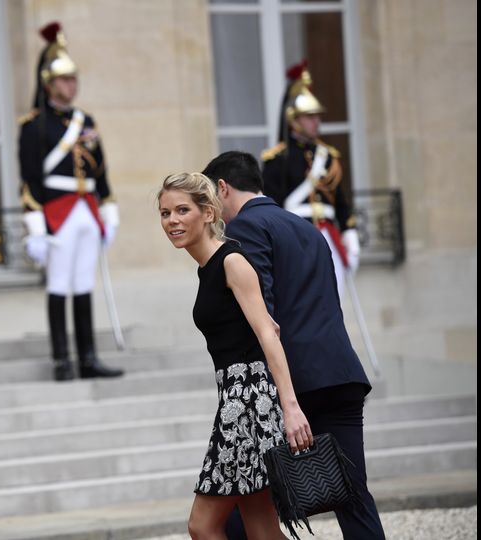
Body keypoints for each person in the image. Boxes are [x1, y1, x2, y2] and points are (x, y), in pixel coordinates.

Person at [201, 151, 386, 539]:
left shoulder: (245, 228)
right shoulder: (307, 228)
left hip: (293, 384)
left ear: (222, 187)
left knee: (241, 510)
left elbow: (262, 315)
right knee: (354, 499)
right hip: (341, 372)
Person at [157, 172, 312, 540]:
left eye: (182, 210)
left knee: (203, 525)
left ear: (209, 213)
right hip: (237, 399)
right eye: (165, 213)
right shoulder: (208, 268)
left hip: (250, 403)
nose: (172, 220)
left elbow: (268, 332)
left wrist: (290, 408)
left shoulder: (232, 261)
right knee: (261, 527)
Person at [18, 22, 123, 381]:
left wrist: (109, 213)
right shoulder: (33, 126)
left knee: (83, 284)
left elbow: (101, 172)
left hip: (87, 211)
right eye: (64, 80)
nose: (71, 85)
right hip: (57, 212)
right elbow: (30, 179)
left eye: (73, 79)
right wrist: (36, 228)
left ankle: (88, 358)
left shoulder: (85, 120)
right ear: (49, 84)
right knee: (59, 284)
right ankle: (62, 360)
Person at [261, 60, 361, 300]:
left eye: (317, 116)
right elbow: (271, 206)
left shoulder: (328, 157)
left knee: (334, 297)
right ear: (293, 119)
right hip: (296, 237)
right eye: (309, 116)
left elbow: (340, 201)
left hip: (328, 235)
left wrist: (349, 233)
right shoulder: (277, 159)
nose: (316, 121)